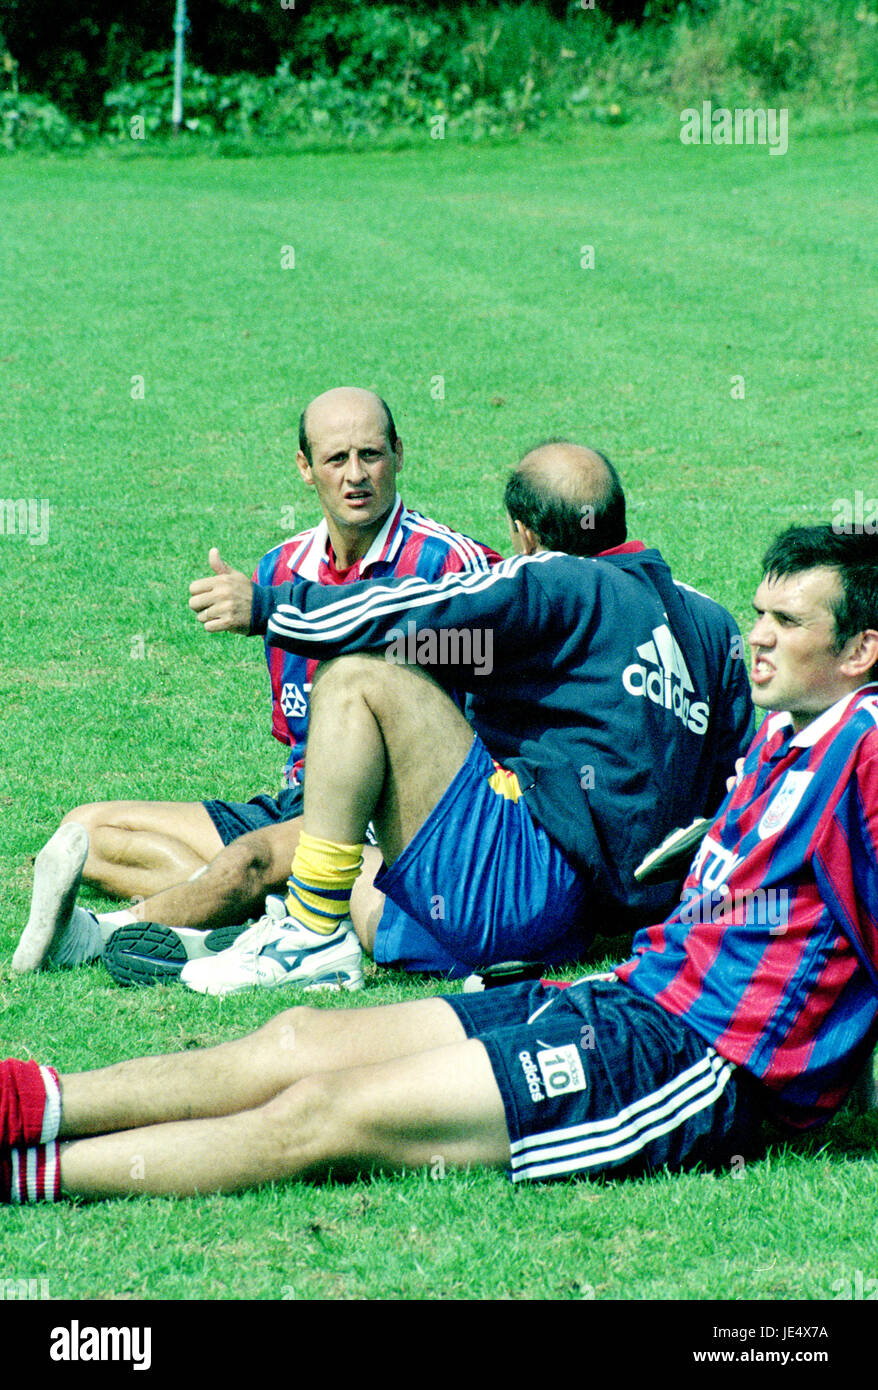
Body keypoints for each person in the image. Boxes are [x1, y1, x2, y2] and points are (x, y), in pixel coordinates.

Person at [3, 523, 876, 1203]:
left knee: (323, 1115)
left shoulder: (864, 754)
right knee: (298, 1038)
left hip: (690, 1063)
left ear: (860, 651)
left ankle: (28, 1177)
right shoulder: (783, 736)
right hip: (618, 994)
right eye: (759, 614)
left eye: (788, 622)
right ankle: (28, 1103)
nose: (757, 637)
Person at [170, 440, 753, 991]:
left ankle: (309, 934)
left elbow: (416, 609)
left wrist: (270, 605)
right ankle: (249, 928)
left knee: (354, 675)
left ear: (524, 534)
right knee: (375, 893)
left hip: (524, 886)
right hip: (593, 920)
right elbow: (738, 785)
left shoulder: (556, 577)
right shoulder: (711, 623)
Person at [11, 387, 499, 982]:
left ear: (399, 454)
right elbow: (293, 730)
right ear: (304, 467)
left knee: (247, 859)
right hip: (300, 796)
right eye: (335, 459)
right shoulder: (278, 570)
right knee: (84, 829)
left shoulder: (455, 566)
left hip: (384, 819)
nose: (355, 476)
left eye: (370, 454)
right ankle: (248, 907)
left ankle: (96, 936)